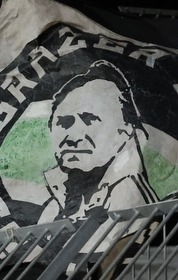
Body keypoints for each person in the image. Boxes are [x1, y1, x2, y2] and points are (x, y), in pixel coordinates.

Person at [39, 60, 157, 223]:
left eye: (89, 120)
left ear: (123, 134)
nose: (74, 137)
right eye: (65, 122)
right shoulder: (55, 203)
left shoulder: (132, 200)